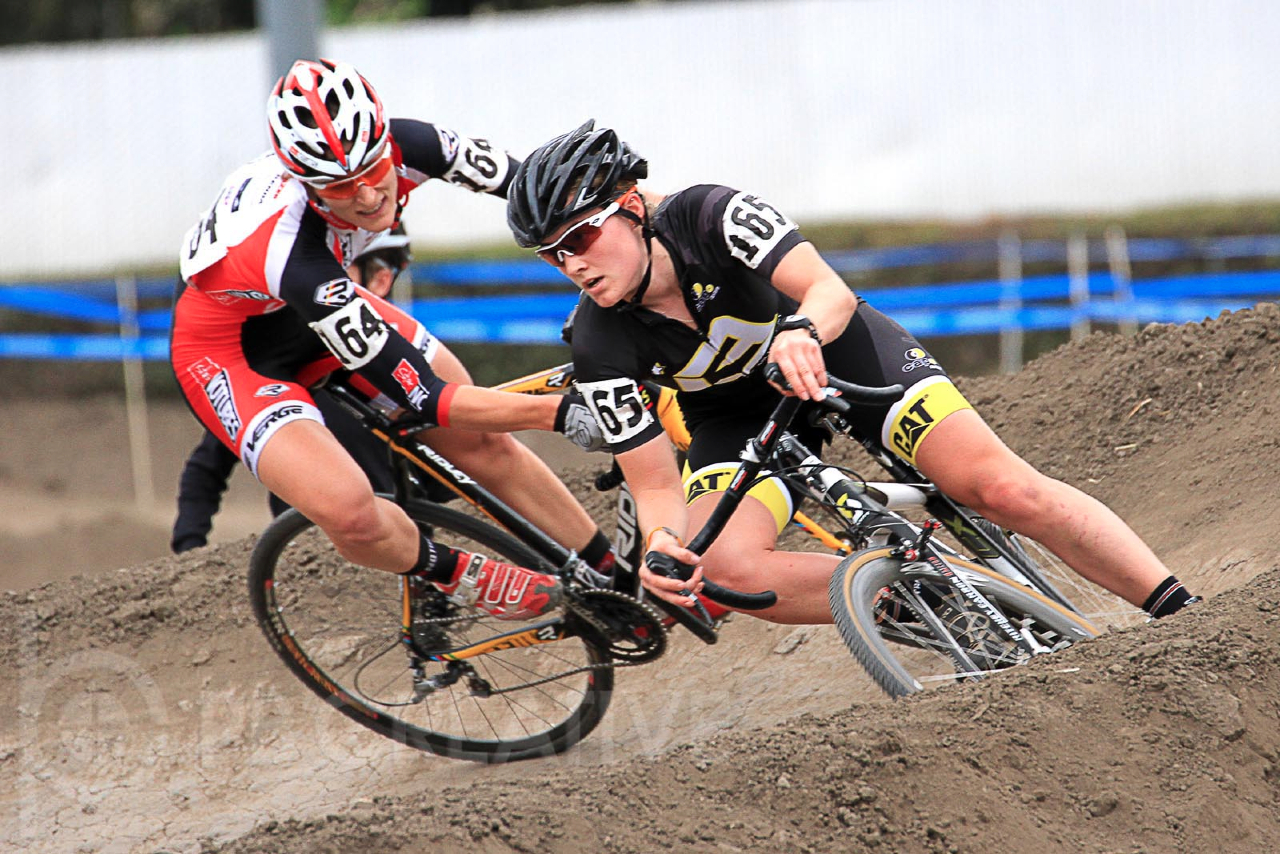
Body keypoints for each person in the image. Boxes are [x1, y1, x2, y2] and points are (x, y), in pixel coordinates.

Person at [505, 120, 1199, 624]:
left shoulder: (715, 215)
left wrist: (801, 332)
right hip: (734, 418)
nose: (572, 264)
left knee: (998, 486)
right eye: (551, 255)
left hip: (832, 352)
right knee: (721, 567)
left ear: (631, 207)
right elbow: (654, 485)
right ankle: (930, 596)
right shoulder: (596, 340)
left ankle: (1183, 612)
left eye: (582, 237)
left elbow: (829, 292)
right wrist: (660, 543)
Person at [171, 60, 614, 621]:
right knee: (351, 510)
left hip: (310, 310)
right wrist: (560, 413)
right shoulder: (289, 247)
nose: (365, 196)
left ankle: (611, 575)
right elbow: (426, 396)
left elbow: (543, 195)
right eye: (337, 186)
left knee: (482, 443)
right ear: (306, 184)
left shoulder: (414, 142)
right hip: (229, 351)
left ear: (385, 136)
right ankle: (452, 574)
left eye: (371, 169)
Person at [171, 226, 413, 553]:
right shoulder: (282, 368)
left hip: (386, 551)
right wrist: (190, 551)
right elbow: (207, 467)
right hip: (303, 561)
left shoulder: (399, 370)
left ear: (381, 281)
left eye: (333, 271)